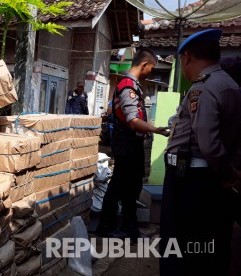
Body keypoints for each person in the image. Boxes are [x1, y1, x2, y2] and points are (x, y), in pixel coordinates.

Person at [160, 29, 241, 276]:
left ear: (186, 58)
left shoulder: (204, 87)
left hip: (192, 181)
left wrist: (228, 173)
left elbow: (207, 142)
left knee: (181, 247)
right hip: (202, 179)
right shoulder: (229, 85)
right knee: (207, 245)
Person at [96, 49, 169, 240]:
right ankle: (107, 227)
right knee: (120, 185)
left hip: (131, 143)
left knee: (132, 186)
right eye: (151, 68)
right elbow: (133, 120)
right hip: (126, 143)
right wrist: (157, 130)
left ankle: (130, 229)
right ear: (144, 65)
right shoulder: (128, 85)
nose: (151, 72)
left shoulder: (133, 85)